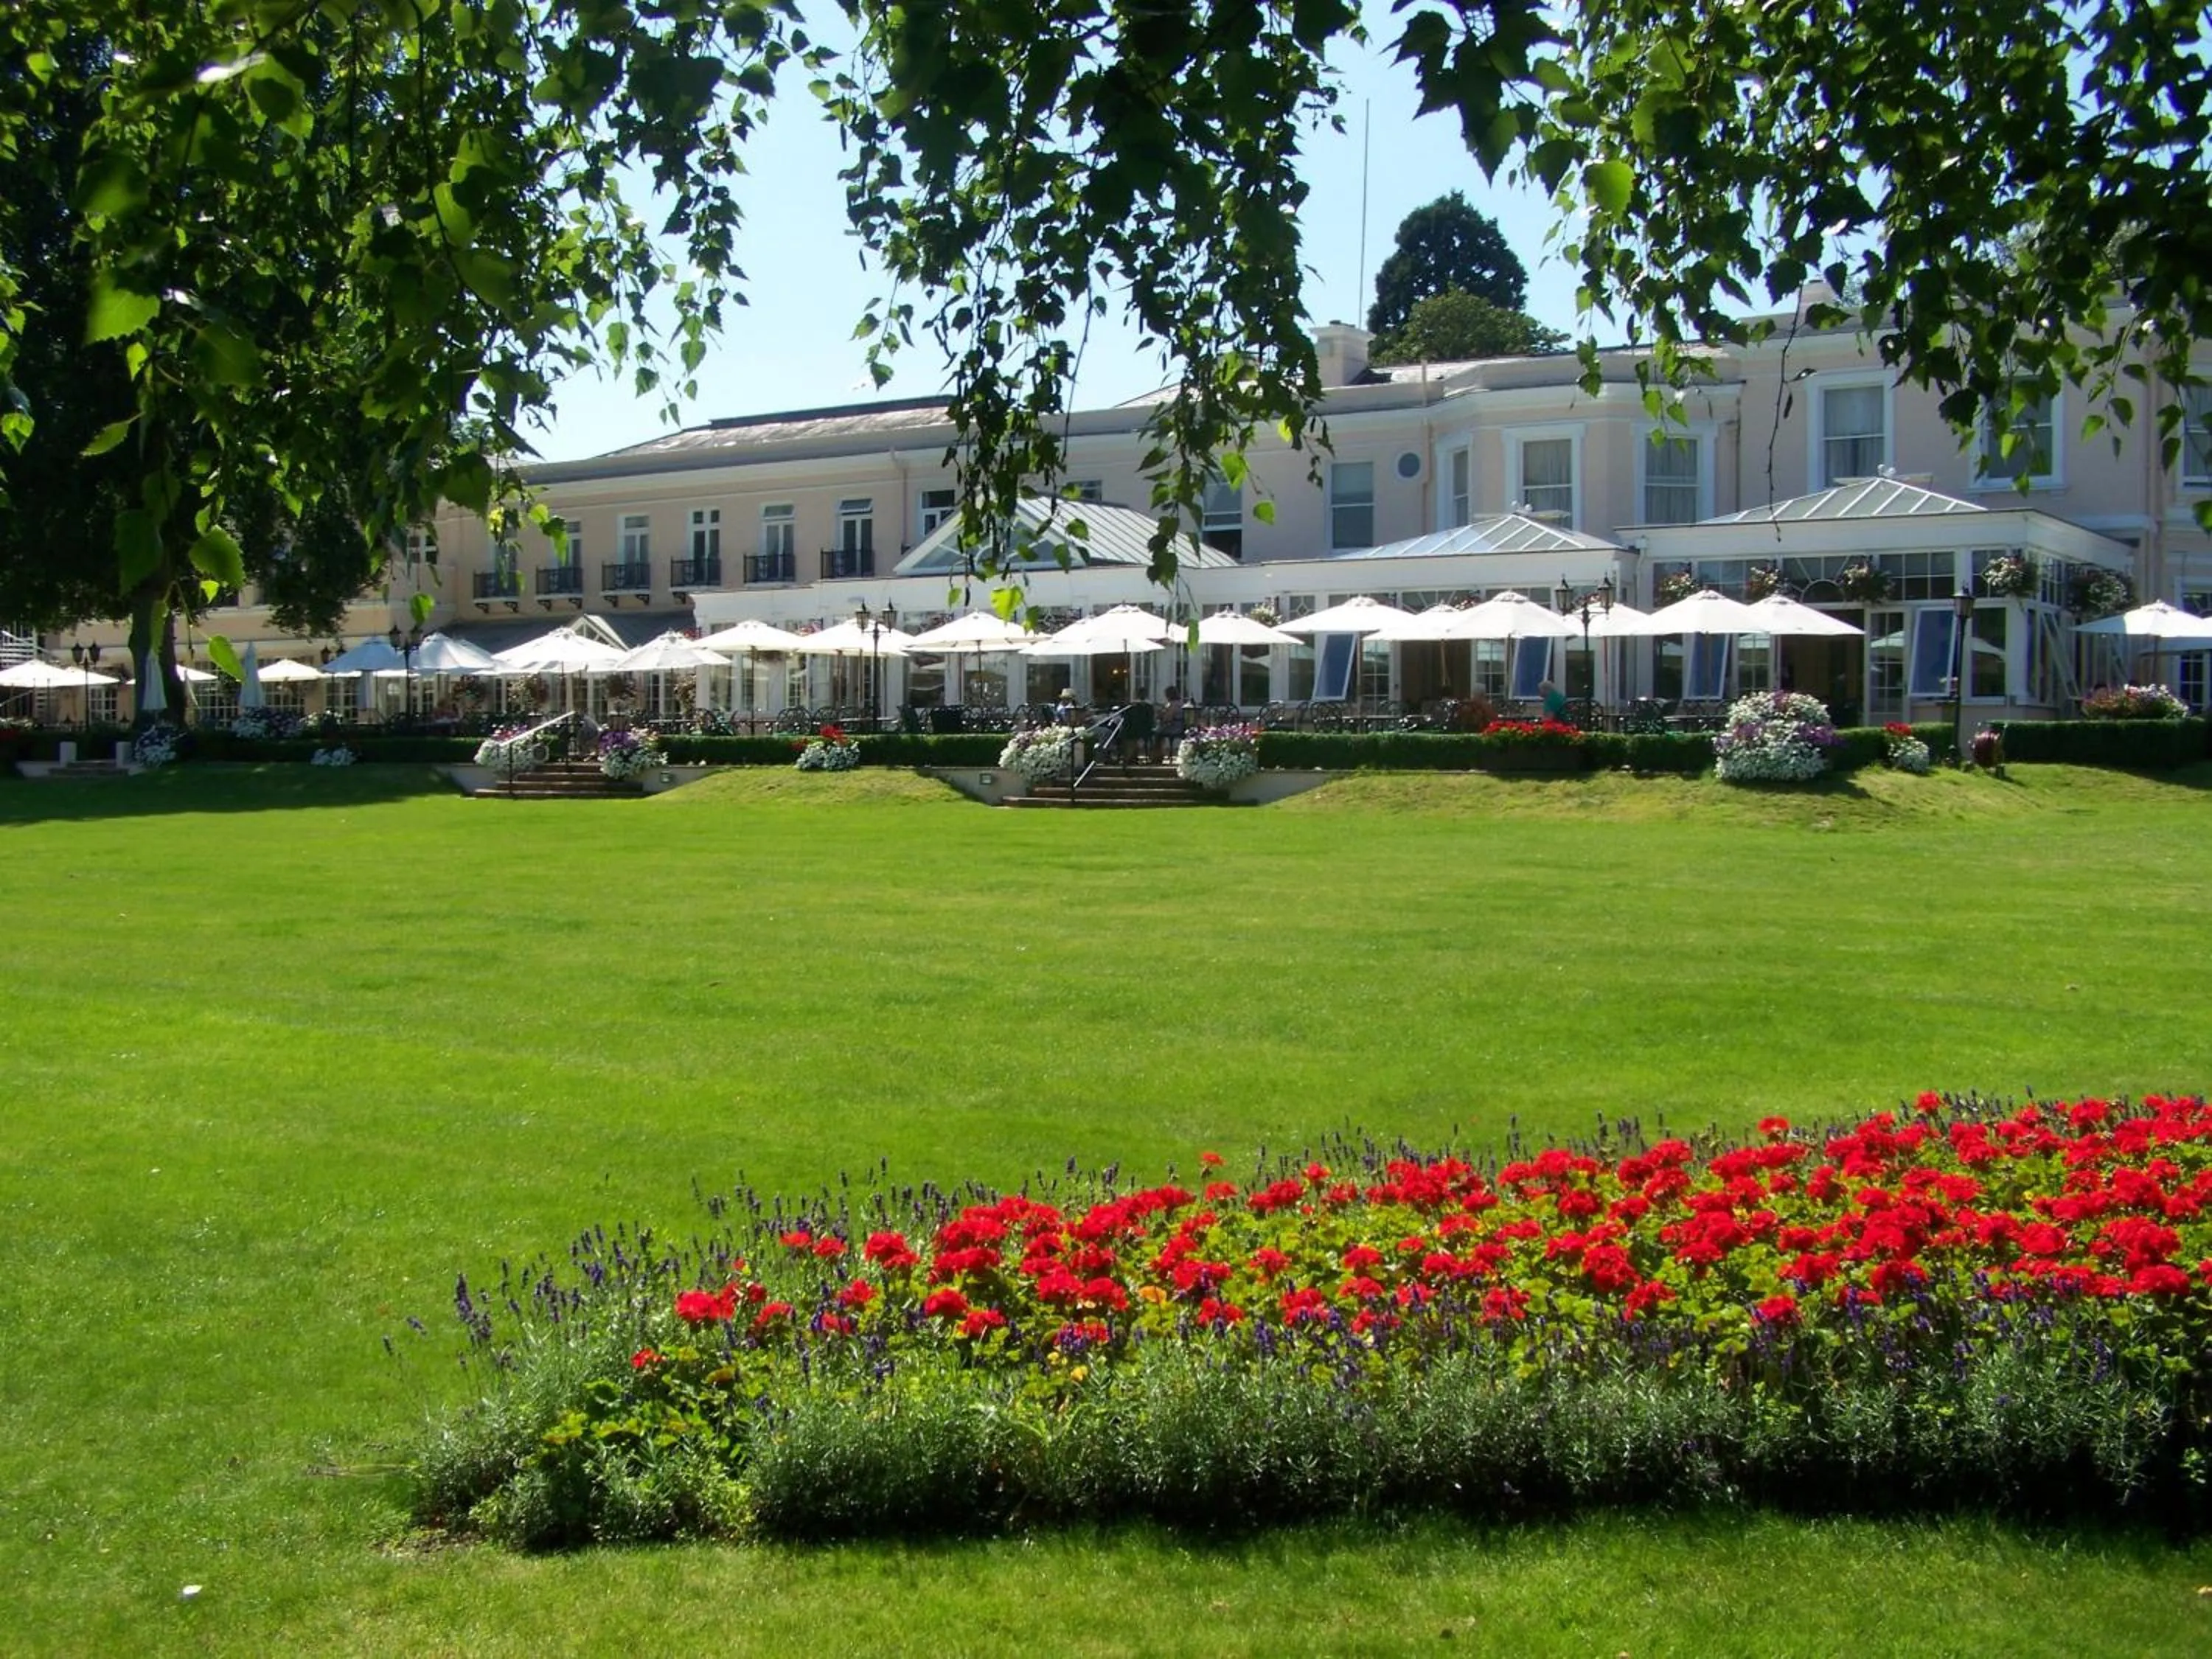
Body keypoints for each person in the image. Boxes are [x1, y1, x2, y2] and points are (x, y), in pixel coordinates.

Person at [1156, 685, 1188, 762]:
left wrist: (1161, 715)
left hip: (1174, 727)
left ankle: (1157, 755)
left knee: (1157, 734)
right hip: (1181, 726)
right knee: (1159, 731)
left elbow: (1168, 718)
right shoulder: (1181, 703)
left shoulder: (1173, 704)